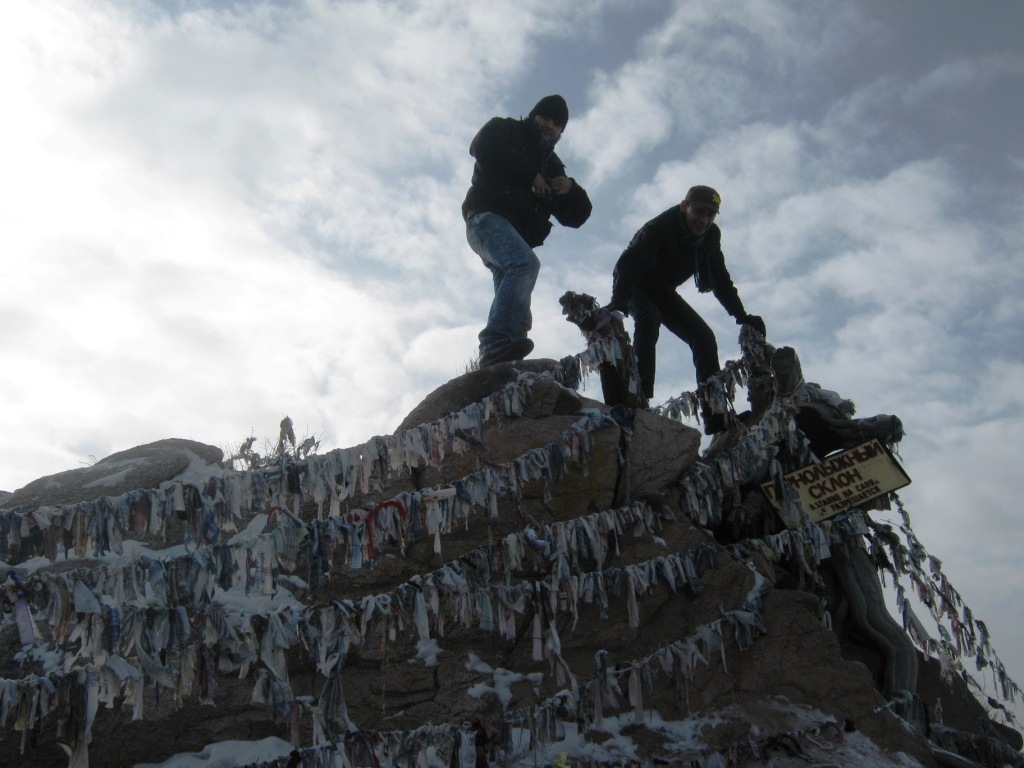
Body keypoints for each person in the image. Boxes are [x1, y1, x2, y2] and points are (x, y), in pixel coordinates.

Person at [605, 185, 765, 433]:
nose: (704, 220)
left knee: (704, 338)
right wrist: (618, 304)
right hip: (635, 283)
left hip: (663, 291)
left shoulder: (710, 238)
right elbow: (627, 266)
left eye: (711, 215)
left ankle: (715, 414)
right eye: (699, 212)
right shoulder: (660, 227)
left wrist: (740, 315)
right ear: (684, 206)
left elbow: (720, 279)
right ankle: (640, 394)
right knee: (649, 317)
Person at [462, 95, 593, 367]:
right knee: (524, 265)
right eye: (546, 118)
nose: (550, 126)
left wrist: (571, 188)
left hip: (514, 235)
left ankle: (506, 362)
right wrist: (531, 174)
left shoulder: (552, 166)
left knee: (518, 307)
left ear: (561, 132)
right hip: (486, 218)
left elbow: (578, 216)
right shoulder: (507, 130)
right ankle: (494, 344)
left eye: (557, 124)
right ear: (534, 115)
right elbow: (482, 145)